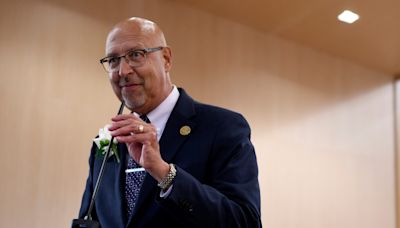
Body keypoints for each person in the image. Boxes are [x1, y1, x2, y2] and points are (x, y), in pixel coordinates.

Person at [78, 17, 261, 228]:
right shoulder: (105, 145)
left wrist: (165, 174)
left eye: (136, 55)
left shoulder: (223, 127)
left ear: (166, 59)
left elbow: (244, 222)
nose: (123, 71)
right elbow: (88, 221)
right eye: (113, 60)